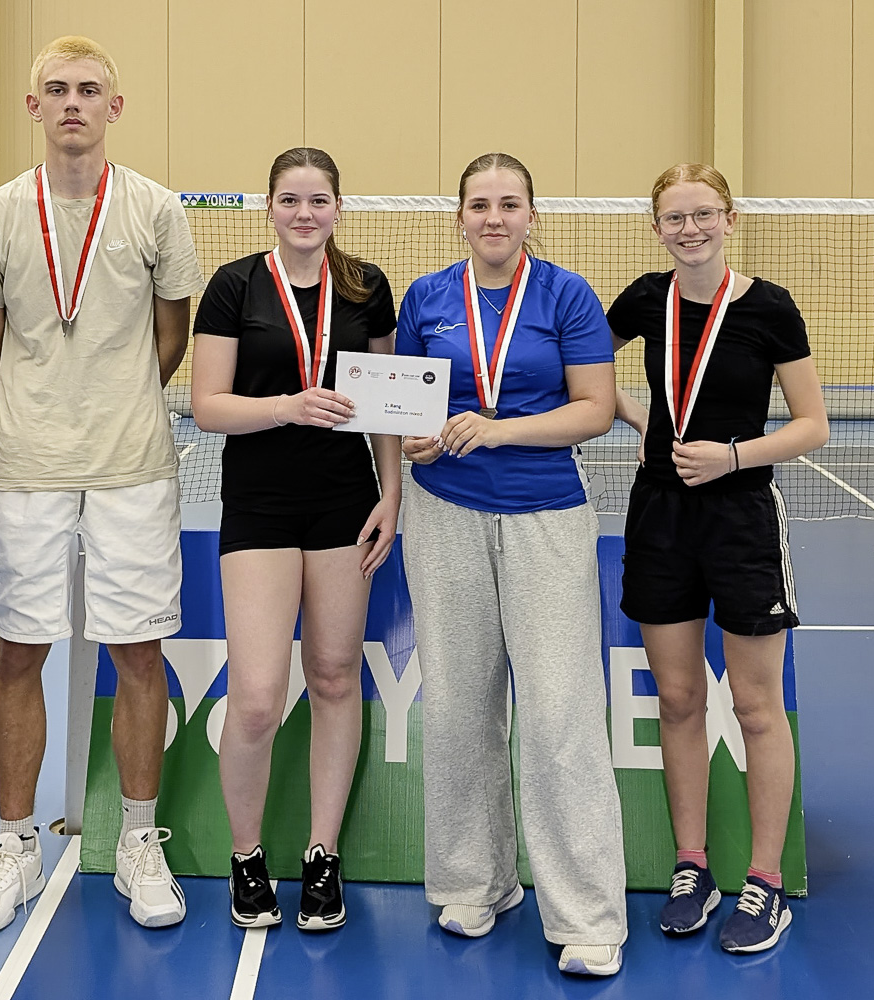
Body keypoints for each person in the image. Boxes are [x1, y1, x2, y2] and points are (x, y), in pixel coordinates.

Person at [0, 36, 202, 932]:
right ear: (33, 107)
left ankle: (140, 839)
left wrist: (118, 402)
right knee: (20, 650)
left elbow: (170, 337)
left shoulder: (156, 210)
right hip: (26, 469)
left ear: (114, 107)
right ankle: (15, 845)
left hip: (133, 465)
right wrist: (27, 419)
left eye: (88, 89)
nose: (72, 103)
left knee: (138, 653)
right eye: (55, 89)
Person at [396, 152, 628, 976]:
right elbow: (407, 410)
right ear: (458, 215)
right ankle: (474, 881)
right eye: (479, 204)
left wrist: (494, 427)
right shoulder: (426, 298)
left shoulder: (566, 294)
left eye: (509, 204)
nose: (494, 218)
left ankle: (588, 914)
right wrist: (423, 438)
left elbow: (595, 409)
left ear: (532, 214)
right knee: (458, 706)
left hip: (545, 518)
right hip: (442, 512)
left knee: (561, 715)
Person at [607, 163, 828, 954]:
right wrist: (645, 427)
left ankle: (764, 883)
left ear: (729, 218)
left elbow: (813, 425)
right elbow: (582, 374)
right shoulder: (643, 300)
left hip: (741, 519)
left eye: (703, 214)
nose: (690, 229)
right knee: (677, 701)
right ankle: (692, 866)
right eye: (675, 217)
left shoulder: (768, 307)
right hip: (660, 519)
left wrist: (733, 458)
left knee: (756, 707)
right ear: (657, 226)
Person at [191, 147, 400, 932]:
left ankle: (322, 856)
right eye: (290, 200)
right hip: (261, 508)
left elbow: (385, 404)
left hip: (346, 504)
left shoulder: (367, 288)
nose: (305, 213)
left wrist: (393, 497)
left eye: (319, 200)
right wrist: (287, 406)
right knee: (254, 699)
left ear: (338, 207)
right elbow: (208, 405)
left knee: (337, 676)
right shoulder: (236, 286)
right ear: (269, 207)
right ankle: (246, 857)